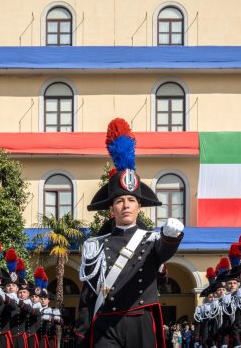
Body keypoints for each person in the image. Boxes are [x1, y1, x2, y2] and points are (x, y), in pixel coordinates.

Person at [76, 118, 184, 348]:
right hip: (106, 321)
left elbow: (164, 251)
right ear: (111, 210)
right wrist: (81, 334)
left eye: (131, 200)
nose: (125, 205)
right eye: (120, 201)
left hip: (141, 320)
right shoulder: (95, 245)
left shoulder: (152, 239)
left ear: (139, 206)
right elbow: (88, 298)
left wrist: (171, 237)